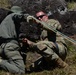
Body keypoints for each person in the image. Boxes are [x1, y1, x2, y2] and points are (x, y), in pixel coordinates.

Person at [0, 6, 30, 74]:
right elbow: (18, 16)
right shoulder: (13, 15)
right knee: (21, 71)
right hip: (10, 47)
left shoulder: (4, 23)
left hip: (2, 47)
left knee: (12, 67)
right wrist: (27, 17)